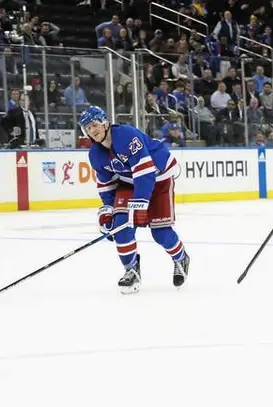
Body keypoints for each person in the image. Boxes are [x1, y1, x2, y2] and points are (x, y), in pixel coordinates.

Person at [79, 106, 190, 294]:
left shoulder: (126, 135)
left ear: (105, 123)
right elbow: (106, 184)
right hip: (129, 182)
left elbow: (145, 171)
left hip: (160, 176)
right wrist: (108, 210)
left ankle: (181, 258)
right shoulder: (95, 154)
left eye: (95, 124)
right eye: (88, 128)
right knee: (120, 226)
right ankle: (131, 270)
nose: (92, 130)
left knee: (161, 233)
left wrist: (140, 201)